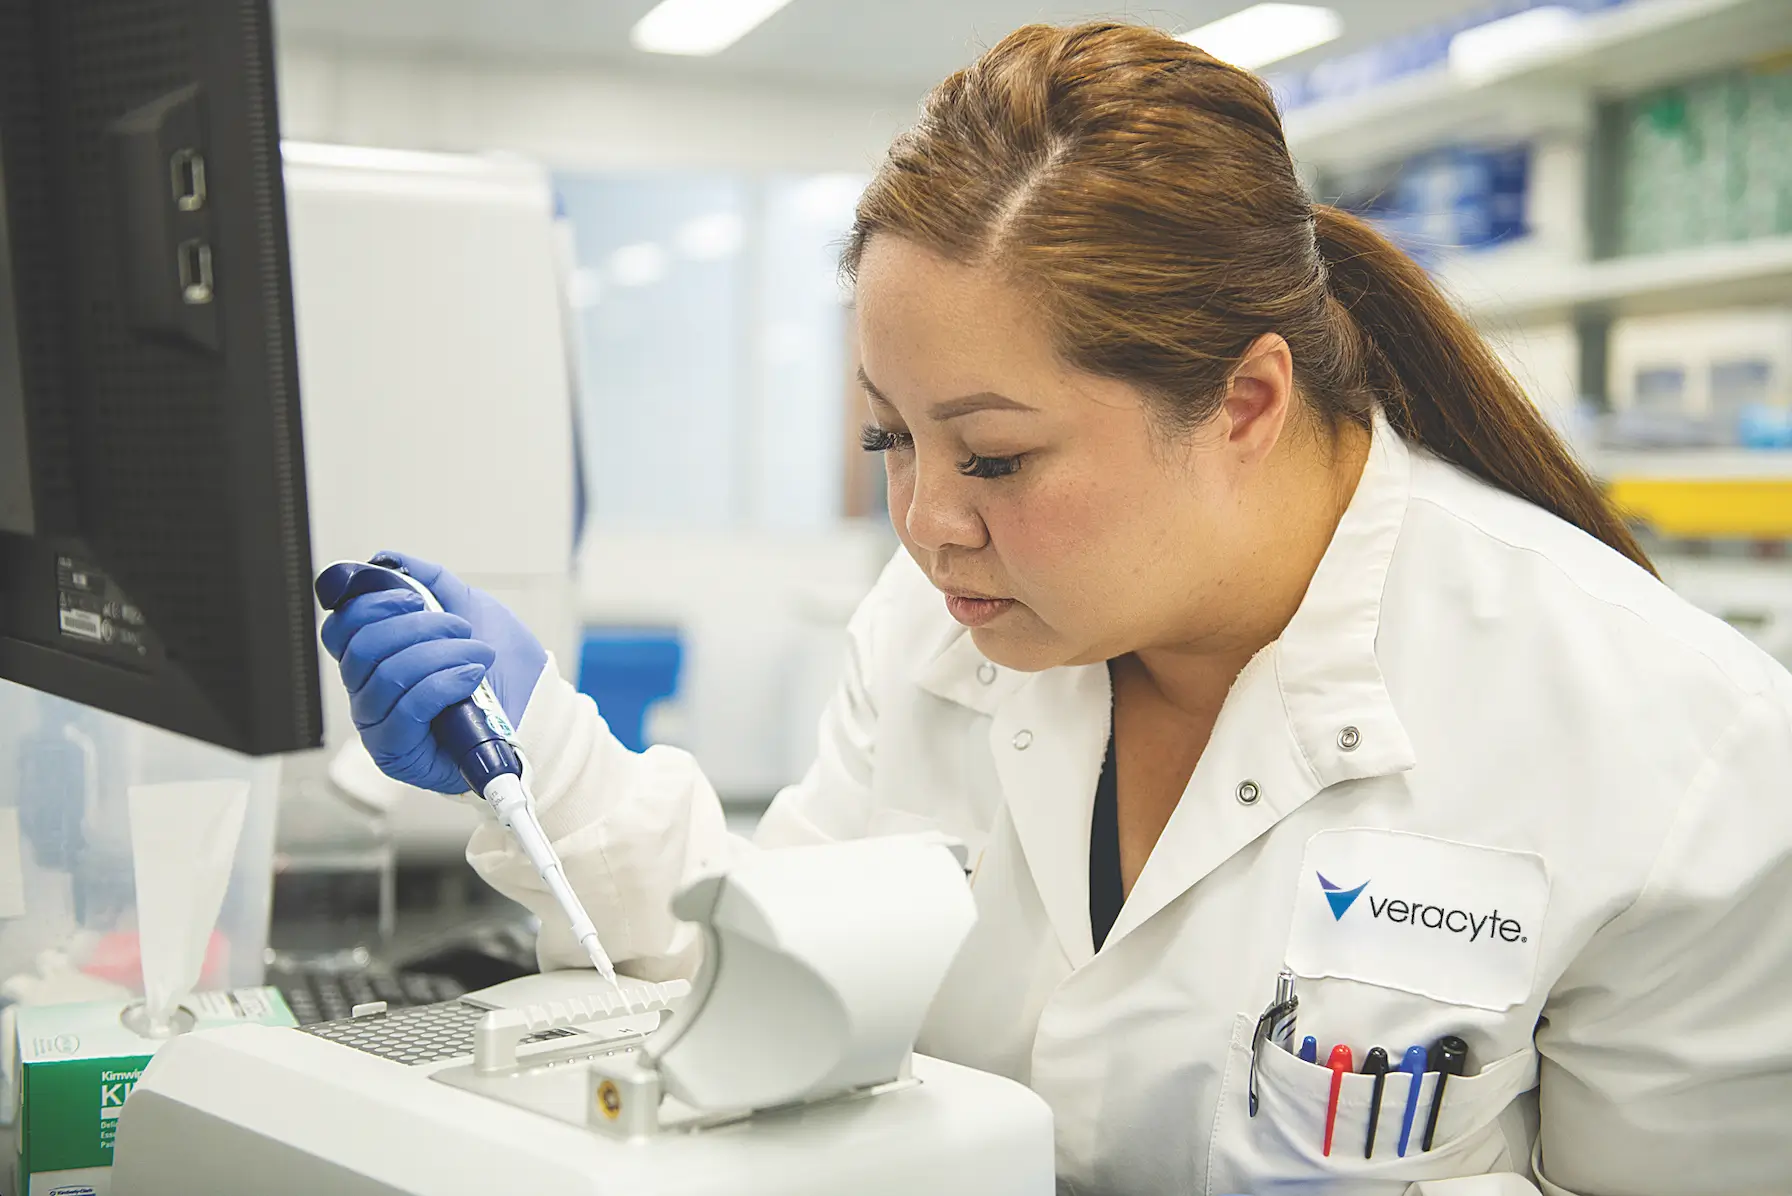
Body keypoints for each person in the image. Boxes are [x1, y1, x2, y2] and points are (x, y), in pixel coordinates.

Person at [320, 22, 1792, 1196]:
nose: (926, 525)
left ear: (1246, 402)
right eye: (891, 438)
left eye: (999, 457)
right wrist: (547, 766)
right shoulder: (940, 625)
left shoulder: (1678, 752)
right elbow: (778, 974)